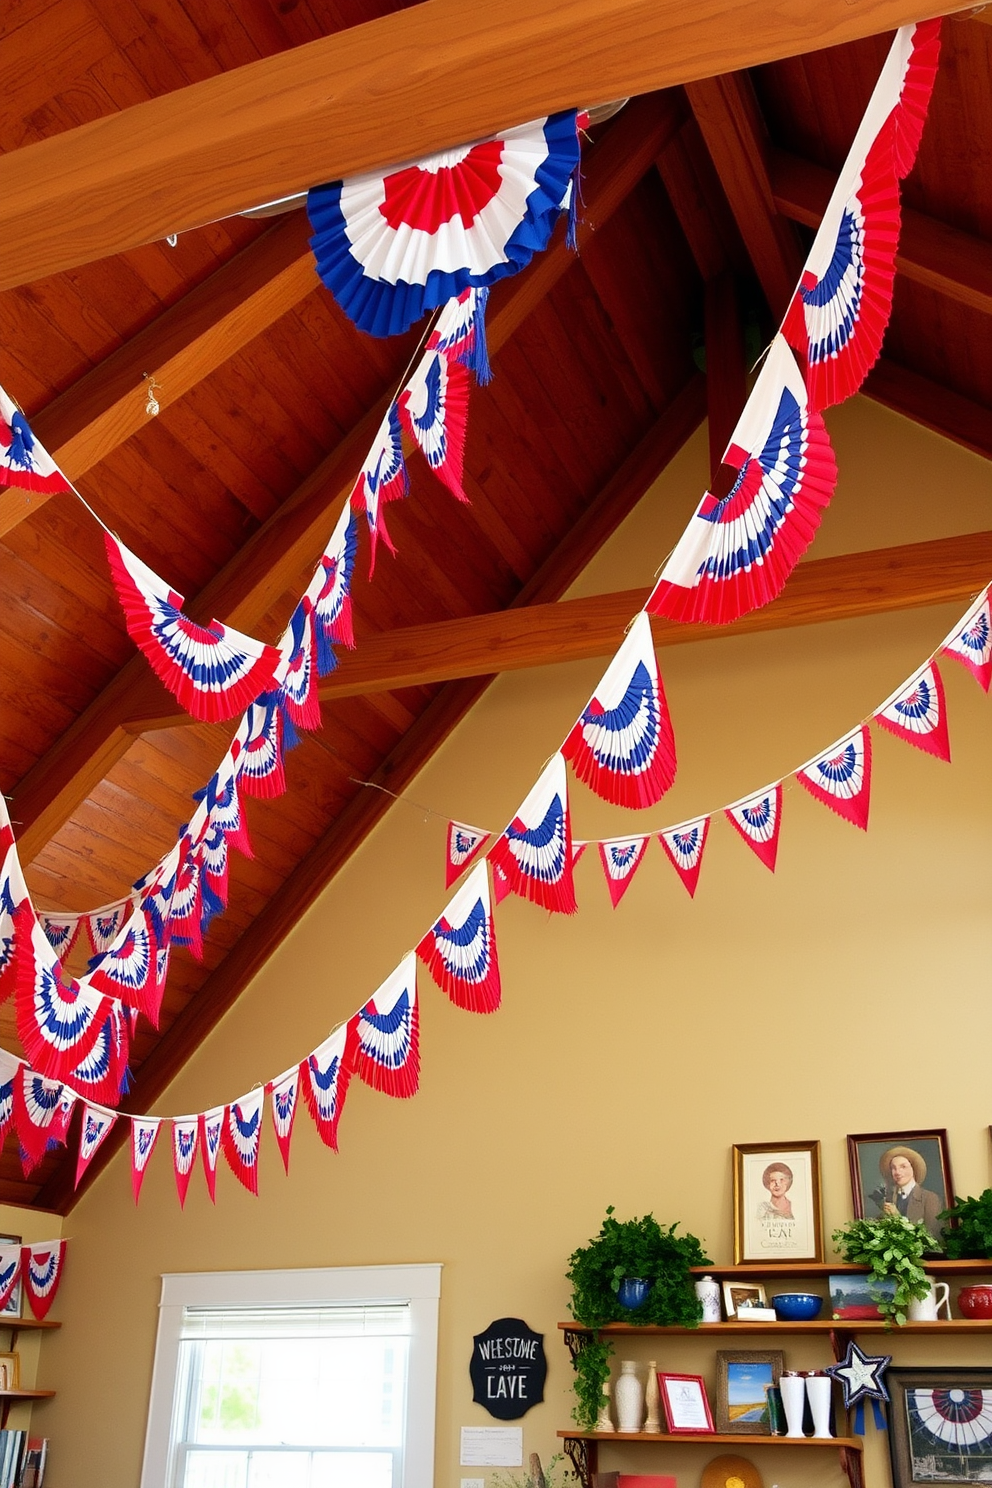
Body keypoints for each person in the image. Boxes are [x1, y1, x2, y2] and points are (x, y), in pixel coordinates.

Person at [871, 1146, 943, 1242]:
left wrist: (898, 1218)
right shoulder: (889, 1198)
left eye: (903, 1167)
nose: (897, 1172)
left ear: (913, 1169)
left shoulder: (930, 1198)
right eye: (893, 1168)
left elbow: (932, 1237)